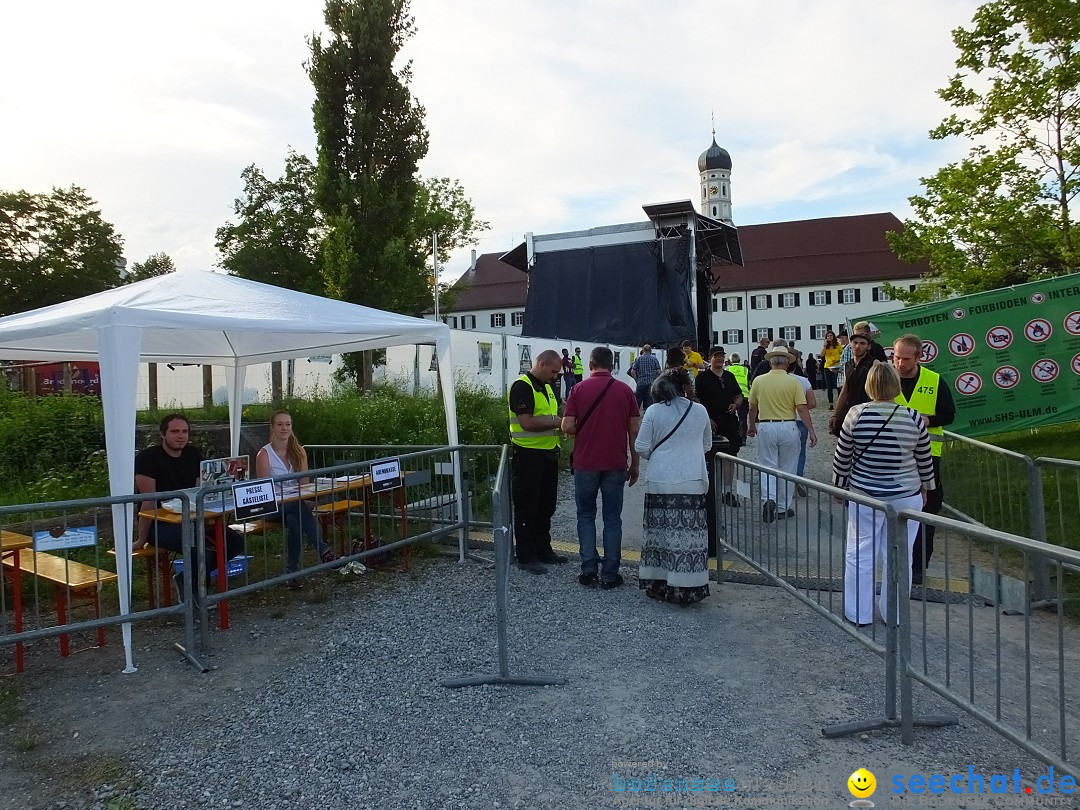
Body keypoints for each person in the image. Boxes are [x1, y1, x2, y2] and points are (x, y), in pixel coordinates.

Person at [832, 363, 935, 625]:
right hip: (905, 495)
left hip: (865, 493)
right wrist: (927, 487)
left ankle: (859, 613)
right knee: (900, 555)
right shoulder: (913, 417)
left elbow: (843, 455)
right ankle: (895, 613)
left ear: (869, 385)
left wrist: (839, 485)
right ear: (896, 385)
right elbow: (924, 458)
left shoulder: (855, 414)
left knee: (860, 551)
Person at [134, 413, 245, 605]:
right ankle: (196, 594)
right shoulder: (147, 458)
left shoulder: (193, 454)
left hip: (192, 520)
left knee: (235, 542)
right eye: (175, 431)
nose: (181, 436)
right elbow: (148, 502)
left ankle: (187, 579)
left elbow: (200, 492)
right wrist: (141, 539)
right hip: (161, 524)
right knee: (201, 547)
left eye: (185, 431)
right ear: (162, 434)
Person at [562, 347, 641, 589]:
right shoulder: (625, 391)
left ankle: (588, 570)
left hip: (585, 463)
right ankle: (610, 573)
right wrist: (635, 464)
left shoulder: (578, 389)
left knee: (585, 515)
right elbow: (634, 431)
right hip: (615, 464)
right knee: (612, 518)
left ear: (590, 364)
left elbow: (567, 426)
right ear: (612, 365)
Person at [634, 368, 712, 604]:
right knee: (690, 538)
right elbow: (707, 445)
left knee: (660, 535)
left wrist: (657, 455)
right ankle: (689, 587)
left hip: (661, 478)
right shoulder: (699, 410)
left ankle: (659, 582)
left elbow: (640, 446)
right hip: (692, 479)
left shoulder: (654, 411)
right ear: (685, 386)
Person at [891, 333, 956, 585]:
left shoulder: (934, 381)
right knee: (893, 510)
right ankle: (896, 563)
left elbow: (949, 415)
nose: (900, 363)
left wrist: (927, 420)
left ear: (919, 357)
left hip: (928, 457)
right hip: (893, 457)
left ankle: (918, 568)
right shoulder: (887, 380)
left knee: (926, 512)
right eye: (896, 357)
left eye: (906, 358)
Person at [254, 410, 339, 590]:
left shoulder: (299, 452)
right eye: (280, 424)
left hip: (295, 506)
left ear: (291, 427)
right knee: (296, 505)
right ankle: (324, 551)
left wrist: (306, 503)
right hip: (272, 508)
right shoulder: (264, 455)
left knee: (295, 518)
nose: (284, 428)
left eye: (288, 424)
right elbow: (264, 493)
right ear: (272, 428)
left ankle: (291, 573)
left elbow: (304, 487)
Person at [509, 349, 565, 574]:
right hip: (528, 454)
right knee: (527, 506)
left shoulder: (548, 387)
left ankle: (544, 549)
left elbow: (552, 414)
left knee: (546, 505)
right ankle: (526, 555)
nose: (555, 376)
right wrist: (559, 423)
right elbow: (527, 423)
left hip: (548, 453)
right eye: (553, 371)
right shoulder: (522, 386)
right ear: (541, 364)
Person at [747, 345, 817, 523]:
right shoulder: (794, 382)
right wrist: (811, 431)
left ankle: (768, 498)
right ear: (787, 364)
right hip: (788, 425)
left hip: (766, 425)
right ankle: (782, 507)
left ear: (770, 362)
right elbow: (802, 408)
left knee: (767, 465)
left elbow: (752, 407)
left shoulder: (759, 381)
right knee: (788, 468)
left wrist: (751, 426)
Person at [695, 347, 744, 554]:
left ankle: (726, 490)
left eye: (722, 357)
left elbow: (739, 395)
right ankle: (707, 488)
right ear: (710, 358)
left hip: (729, 421)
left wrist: (735, 405)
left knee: (730, 456)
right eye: (717, 357)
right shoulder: (703, 377)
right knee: (708, 456)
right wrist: (707, 419)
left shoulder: (731, 375)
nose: (720, 360)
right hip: (711, 422)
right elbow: (697, 399)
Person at [830, 332, 876, 437]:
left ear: (868, 347)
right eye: (855, 342)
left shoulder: (874, 363)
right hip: (850, 410)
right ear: (850, 344)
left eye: (862, 343)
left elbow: (878, 392)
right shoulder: (848, 365)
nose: (857, 346)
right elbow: (845, 390)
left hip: (866, 412)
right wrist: (835, 414)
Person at [787, 348, 817, 496]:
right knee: (800, 452)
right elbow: (812, 403)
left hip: (783, 421)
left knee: (783, 454)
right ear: (797, 362)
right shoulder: (802, 381)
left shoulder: (773, 379)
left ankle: (784, 481)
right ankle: (797, 478)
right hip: (800, 421)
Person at [628, 344, 662, 413]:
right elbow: (659, 372)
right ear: (651, 350)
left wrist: (637, 380)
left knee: (637, 401)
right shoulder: (654, 359)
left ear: (643, 350)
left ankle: (635, 414)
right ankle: (647, 415)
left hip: (641, 382)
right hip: (651, 383)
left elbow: (632, 372)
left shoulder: (638, 359)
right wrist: (654, 379)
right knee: (649, 401)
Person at [727, 352, 750, 441]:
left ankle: (731, 436)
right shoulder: (745, 369)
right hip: (744, 396)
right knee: (743, 418)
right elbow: (749, 383)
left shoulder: (727, 369)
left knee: (730, 416)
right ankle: (743, 438)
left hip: (731, 396)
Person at [820, 331, 842, 405]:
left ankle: (839, 402)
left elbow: (842, 354)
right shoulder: (826, 346)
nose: (829, 337)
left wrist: (837, 360)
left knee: (837, 384)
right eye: (828, 336)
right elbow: (822, 355)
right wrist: (824, 346)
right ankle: (831, 403)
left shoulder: (838, 345)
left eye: (831, 335)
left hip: (836, 366)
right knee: (829, 386)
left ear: (833, 336)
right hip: (827, 367)